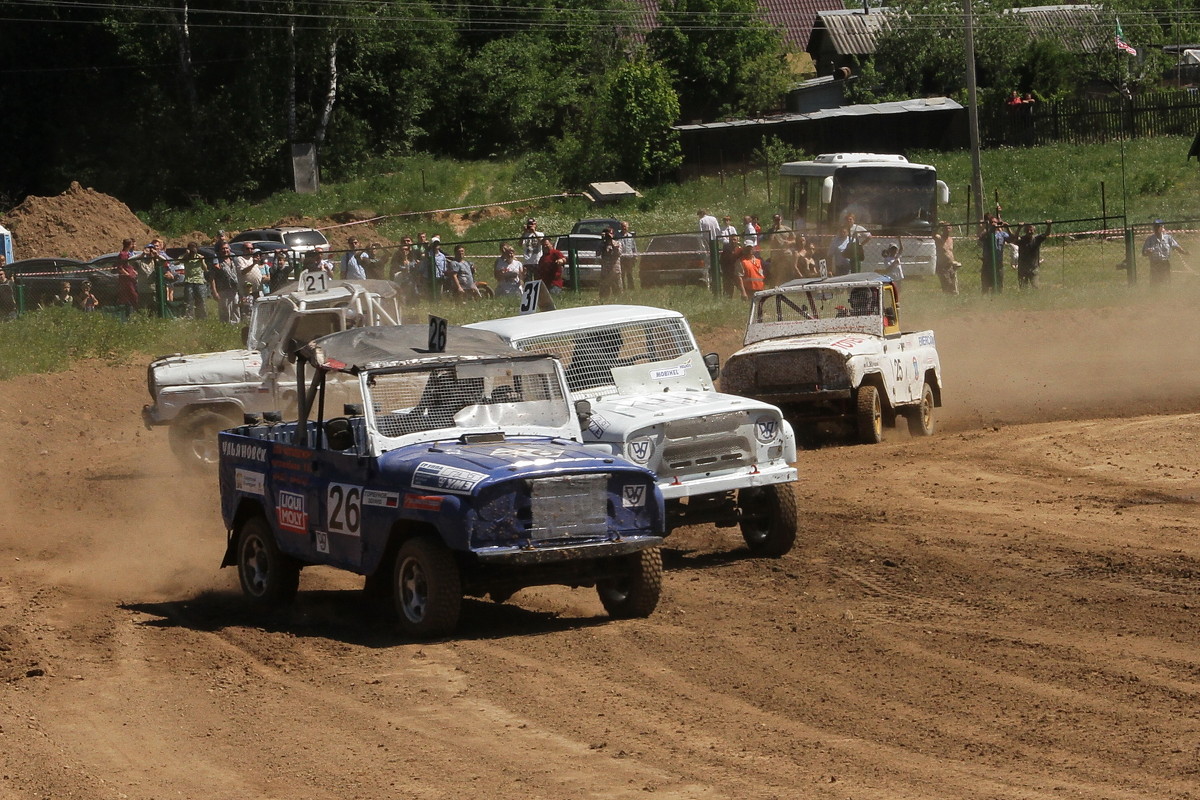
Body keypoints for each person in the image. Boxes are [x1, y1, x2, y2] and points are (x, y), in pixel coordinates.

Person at [1142, 220, 1188, 285]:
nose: (1157, 228)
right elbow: (1143, 253)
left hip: (1165, 263)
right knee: (1155, 283)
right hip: (1154, 264)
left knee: (1166, 282)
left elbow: (1176, 246)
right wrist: (1148, 252)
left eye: (1159, 226)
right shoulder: (1150, 239)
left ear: (1162, 227)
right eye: (1155, 227)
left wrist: (1185, 252)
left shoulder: (1168, 238)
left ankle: (1166, 293)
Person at [208, 242, 241, 323]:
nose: (225, 250)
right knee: (225, 311)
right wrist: (215, 292)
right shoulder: (217, 263)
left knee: (236, 309)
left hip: (234, 290)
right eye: (223, 248)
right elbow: (211, 278)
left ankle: (236, 327)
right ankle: (226, 327)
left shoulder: (233, 260)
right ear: (219, 250)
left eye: (226, 248)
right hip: (223, 290)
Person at [978, 213, 1011, 294]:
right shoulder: (986, 233)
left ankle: (997, 300)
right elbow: (981, 238)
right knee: (986, 286)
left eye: (995, 222)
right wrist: (990, 229)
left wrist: (1008, 228)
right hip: (987, 264)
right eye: (992, 222)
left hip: (998, 264)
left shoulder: (1002, 234)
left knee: (998, 285)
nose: (994, 224)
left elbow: (1012, 239)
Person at [1014, 221, 1052, 289]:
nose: (1029, 231)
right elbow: (1015, 238)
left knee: (1035, 286)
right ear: (1025, 231)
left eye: (1031, 230)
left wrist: (1049, 225)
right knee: (1023, 288)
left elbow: (1047, 233)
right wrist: (1019, 228)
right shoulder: (1022, 240)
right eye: (1028, 230)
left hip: (1034, 268)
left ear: (1034, 230)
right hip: (1023, 268)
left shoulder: (1037, 239)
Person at [178, 241, 208, 319]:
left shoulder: (200, 256)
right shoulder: (185, 257)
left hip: (199, 281)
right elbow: (177, 262)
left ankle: (201, 316)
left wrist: (202, 261)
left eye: (194, 247)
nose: (192, 249)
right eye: (191, 247)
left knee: (201, 299)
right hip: (189, 280)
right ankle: (189, 316)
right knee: (189, 300)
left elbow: (205, 269)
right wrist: (186, 254)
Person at [764, 213, 796, 285]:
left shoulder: (787, 229)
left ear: (781, 219)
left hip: (785, 252)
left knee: (785, 269)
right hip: (775, 254)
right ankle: (774, 284)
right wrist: (774, 231)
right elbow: (770, 241)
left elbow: (795, 240)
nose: (777, 221)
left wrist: (789, 242)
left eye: (778, 219)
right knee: (774, 270)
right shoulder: (771, 230)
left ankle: (785, 283)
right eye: (775, 220)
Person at [933, 222, 960, 296]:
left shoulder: (951, 239)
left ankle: (952, 298)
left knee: (954, 283)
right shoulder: (939, 238)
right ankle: (948, 298)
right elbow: (933, 234)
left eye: (949, 228)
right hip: (942, 266)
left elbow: (950, 251)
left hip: (951, 265)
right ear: (942, 229)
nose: (947, 230)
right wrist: (938, 226)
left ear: (951, 229)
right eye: (945, 228)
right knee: (947, 283)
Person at [597, 227, 623, 299]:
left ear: (613, 234)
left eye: (610, 234)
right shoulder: (602, 244)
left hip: (615, 271)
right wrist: (603, 242)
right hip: (605, 271)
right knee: (604, 292)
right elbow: (597, 253)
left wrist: (612, 243)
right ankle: (604, 302)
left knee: (618, 291)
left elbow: (619, 253)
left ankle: (618, 302)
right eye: (607, 234)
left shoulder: (617, 243)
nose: (609, 236)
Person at [115, 238, 139, 314]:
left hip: (132, 277)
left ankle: (129, 311)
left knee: (129, 295)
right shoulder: (123, 254)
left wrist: (134, 271)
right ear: (129, 245)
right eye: (131, 244)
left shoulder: (128, 254)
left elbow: (129, 265)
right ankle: (134, 309)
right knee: (132, 294)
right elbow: (120, 267)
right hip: (126, 279)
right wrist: (127, 274)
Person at [615, 220, 637, 291]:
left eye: (625, 226)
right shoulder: (617, 236)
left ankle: (631, 288)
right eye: (622, 226)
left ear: (627, 227)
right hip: (621, 258)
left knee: (629, 273)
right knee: (622, 274)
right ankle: (623, 288)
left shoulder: (630, 236)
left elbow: (634, 247)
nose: (624, 228)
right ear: (620, 227)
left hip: (629, 257)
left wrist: (635, 256)